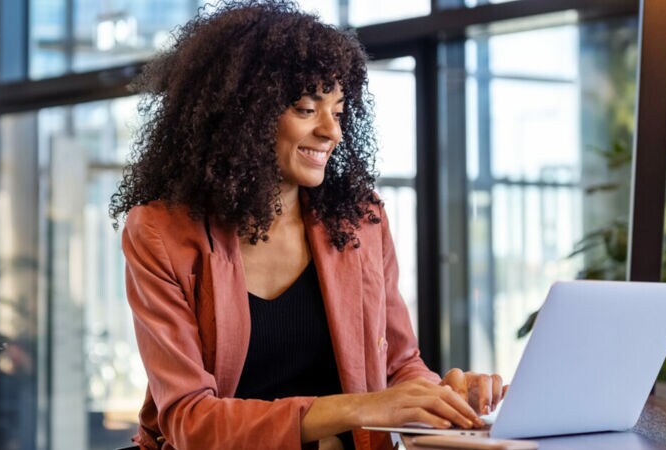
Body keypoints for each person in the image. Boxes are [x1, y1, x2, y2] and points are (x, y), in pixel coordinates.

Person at [111, 2, 505, 449]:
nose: (331, 131)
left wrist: (444, 395)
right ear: (243, 115)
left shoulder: (360, 221)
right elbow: (190, 419)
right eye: (305, 108)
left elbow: (398, 365)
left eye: (337, 111)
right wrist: (359, 406)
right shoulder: (161, 233)